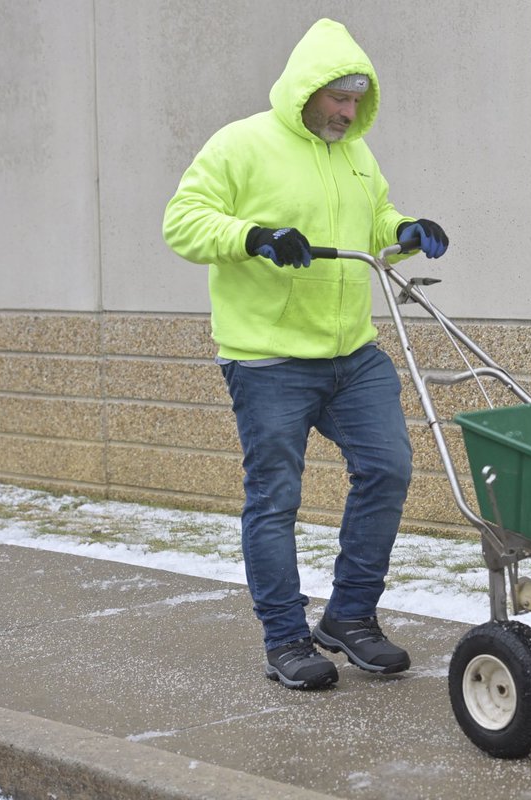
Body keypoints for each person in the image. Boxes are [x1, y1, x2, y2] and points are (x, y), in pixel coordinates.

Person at [162, 18, 448, 690]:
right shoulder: (242, 145)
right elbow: (183, 219)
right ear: (307, 91)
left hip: (352, 354)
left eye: (357, 100)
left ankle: (350, 617)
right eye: (338, 99)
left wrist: (403, 231)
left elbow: (372, 219)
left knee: (388, 469)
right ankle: (286, 639)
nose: (349, 112)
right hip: (268, 360)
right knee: (275, 498)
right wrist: (255, 237)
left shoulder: (355, 153)